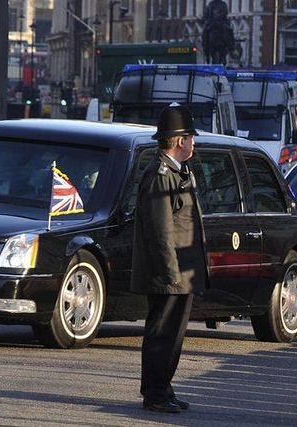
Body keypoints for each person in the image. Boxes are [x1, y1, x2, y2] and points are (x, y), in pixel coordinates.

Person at [131, 103, 207, 414]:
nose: (194, 143)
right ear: (179, 140)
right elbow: (160, 230)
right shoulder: (161, 175)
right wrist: (170, 272)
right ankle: (155, 393)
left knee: (173, 336)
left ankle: (164, 388)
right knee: (161, 334)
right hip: (169, 274)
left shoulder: (179, 172)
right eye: (191, 136)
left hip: (181, 272)